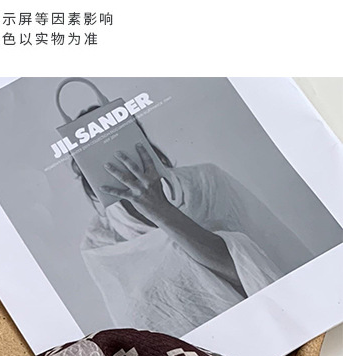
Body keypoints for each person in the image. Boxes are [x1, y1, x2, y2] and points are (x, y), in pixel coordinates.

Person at [74, 113, 314, 337]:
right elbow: (146, 324)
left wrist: (161, 211)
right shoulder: (101, 242)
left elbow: (255, 271)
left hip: (269, 327)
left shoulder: (205, 182)